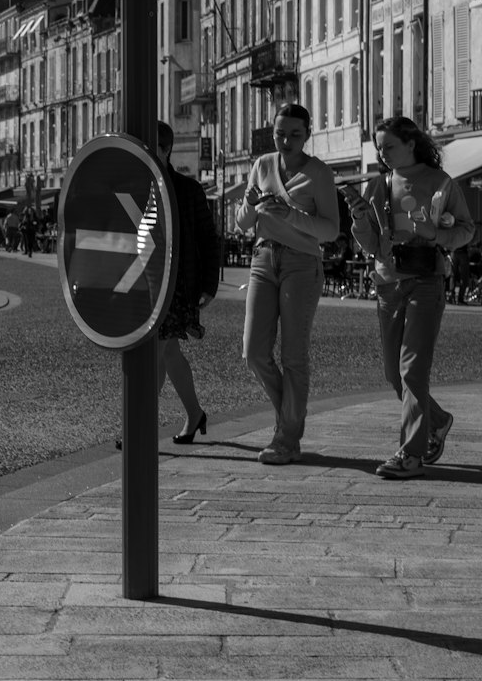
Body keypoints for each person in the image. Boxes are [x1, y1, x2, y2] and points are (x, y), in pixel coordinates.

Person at [342, 116, 473, 480]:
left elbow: (466, 229)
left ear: (411, 143)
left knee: (412, 369)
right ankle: (439, 420)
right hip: (388, 283)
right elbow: (370, 245)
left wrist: (437, 236)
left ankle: (410, 454)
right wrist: (358, 218)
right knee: (393, 374)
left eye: (389, 147)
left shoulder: (440, 182)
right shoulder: (378, 185)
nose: (382, 154)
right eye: (380, 148)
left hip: (426, 281)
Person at [236, 102, 339, 464]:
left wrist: (291, 215)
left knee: (294, 354)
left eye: (295, 134)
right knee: (253, 352)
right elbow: (243, 224)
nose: (286, 140)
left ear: (308, 134)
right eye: (280, 133)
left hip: (301, 263)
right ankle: (289, 422)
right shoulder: (262, 165)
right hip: (263, 259)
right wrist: (249, 205)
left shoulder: (320, 174)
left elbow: (330, 229)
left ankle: (286, 438)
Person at [155, 122, 222, 443]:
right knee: (168, 354)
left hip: (177, 284)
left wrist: (209, 284)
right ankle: (195, 414)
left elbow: (209, 240)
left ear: (165, 149)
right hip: (144, 283)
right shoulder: (131, 186)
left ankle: (139, 423)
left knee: (155, 351)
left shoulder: (187, 189)